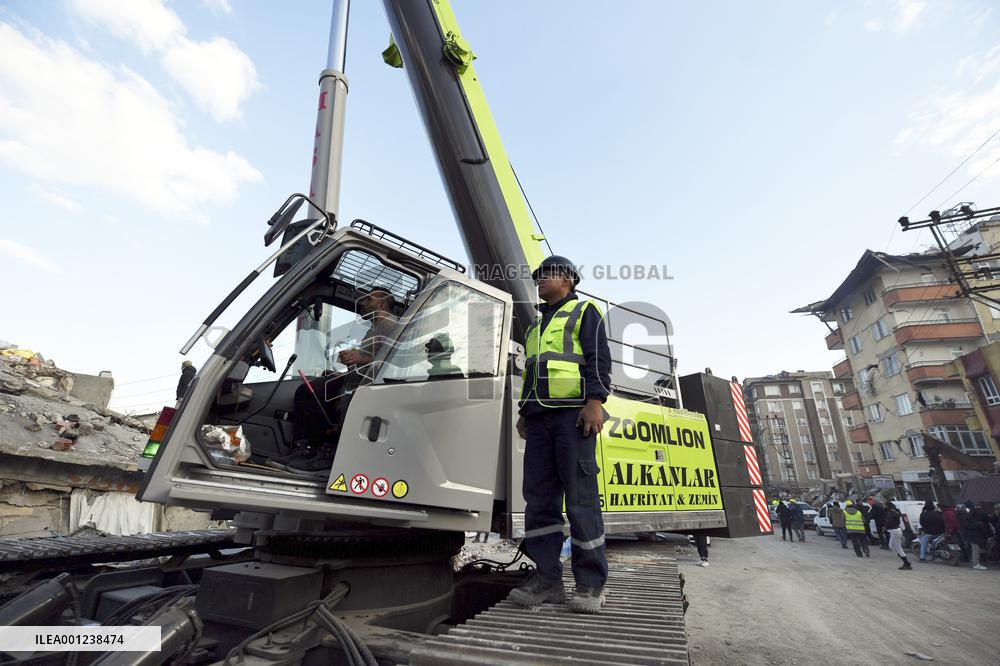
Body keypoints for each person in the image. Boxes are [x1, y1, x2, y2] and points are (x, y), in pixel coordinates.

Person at [508, 255, 612, 614]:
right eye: (537, 276)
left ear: (567, 279)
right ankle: (548, 580)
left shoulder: (584, 312)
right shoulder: (535, 328)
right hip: (539, 421)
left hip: (573, 418)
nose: (538, 280)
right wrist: (524, 413)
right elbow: (532, 373)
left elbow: (598, 359)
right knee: (539, 502)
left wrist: (595, 402)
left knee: (581, 499)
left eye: (546, 274)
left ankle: (591, 584)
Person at [271, 288, 398, 476]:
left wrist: (362, 358)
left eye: (368, 299)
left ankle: (320, 453)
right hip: (356, 378)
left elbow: (396, 360)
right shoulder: (374, 328)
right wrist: (353, 361)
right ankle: (304, 448)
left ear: (381, 304)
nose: (362, 303)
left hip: (367, 386)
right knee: (309, 390)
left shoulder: (392, 325)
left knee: (316, 391)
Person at [958, 500, 991, 570]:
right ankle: (976, 564)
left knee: (975, 548)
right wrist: (977, 524)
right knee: (975, 548)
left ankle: (975, 562)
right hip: (971, 534)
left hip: (969, 534)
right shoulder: (964, 515)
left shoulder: (964, 514)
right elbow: (968, 525)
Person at [885, 501, 913, 570]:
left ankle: (906, 563)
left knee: (898, 548)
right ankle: (905, 561)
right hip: (895, 530)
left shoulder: (891, 513)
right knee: (891, 546)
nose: (883, 506)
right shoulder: (894, 511)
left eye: (884, 505)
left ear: (888, 506)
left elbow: (889, 522)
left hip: (895, 531)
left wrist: (885, 526)